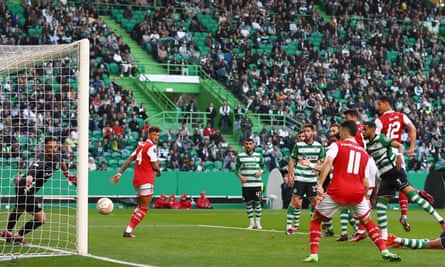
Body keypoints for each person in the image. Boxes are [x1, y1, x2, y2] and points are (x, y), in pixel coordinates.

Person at [302, 120, 401, 263]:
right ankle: (384, 251)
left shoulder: (337, 146)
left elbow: (328, 164)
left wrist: (320, 184)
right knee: (367, 221)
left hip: (338, 190)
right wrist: (366, 197)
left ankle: (314, 254)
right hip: (357, 192)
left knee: (316, 219)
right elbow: (365, 180)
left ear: (344, 130)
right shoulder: (364, 153)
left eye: (340, 130)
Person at [362, 121, 445, 241]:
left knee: (415, 199)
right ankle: (384, 238)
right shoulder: (368, 146)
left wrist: (400, 156)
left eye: (365, 129)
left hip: (394, 171)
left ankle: (441, 221)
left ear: (372, 129)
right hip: (385, 177)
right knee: (380, 206)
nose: (363, 132)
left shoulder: (382, 138)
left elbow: (400, 146)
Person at [1, 137, 77, 245]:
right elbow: (33, 170)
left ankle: (8, 233)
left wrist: (68, 175)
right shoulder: (40, 160)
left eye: (55, 147)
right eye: (50, 147)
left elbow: (62, 163)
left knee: (19, 209)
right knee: (41, 219)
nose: (53, 149)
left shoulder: (58, 156)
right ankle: (18, 236)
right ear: (45, 148)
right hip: (26, 188)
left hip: (23, 187)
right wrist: (29, 178)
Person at [110, 126, 162, 238]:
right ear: (149, 135)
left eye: (158, 135)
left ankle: (129, 230)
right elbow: (154, 164)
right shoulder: (151, 147)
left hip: (137, 181)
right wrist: (158, 171)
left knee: (140, 206)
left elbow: (129, 159)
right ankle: (128, 231)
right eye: (154, 134)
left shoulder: (140, 146)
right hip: (146, 180)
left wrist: (119, 173)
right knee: (144, 207)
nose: (156, 137)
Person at [375, 95, 417, 232]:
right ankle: (404, 214)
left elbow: (375, 139)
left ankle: (369, 221)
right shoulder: (401, 116)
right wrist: (412, 147)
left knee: (378, 184)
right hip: (398, 152)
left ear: (386, 104)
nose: (377, 107)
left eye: (379, 104)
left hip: (384, 153)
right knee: (402, 183)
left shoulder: (380, 121)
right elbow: (413, 128)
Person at [286, 124, 325, 235]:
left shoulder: (318, 146)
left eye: (308, 131)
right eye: (304, 131)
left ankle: (314, 226)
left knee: (314, 202)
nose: (306, 133)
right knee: (295, 200)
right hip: (300, 177)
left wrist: (317, 167)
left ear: (312, 132)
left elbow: (321, 161)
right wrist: (290, 174)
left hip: (312, 179)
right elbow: (292, 161)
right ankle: (289, 226)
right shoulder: (298, 146)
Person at [235, 138, 265, 229]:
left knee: (257, 203)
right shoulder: (240, 156)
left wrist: (260, 172)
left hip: (256, 184)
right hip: (246, 185)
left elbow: (264, 167)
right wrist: (240, 176)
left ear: (254, 145)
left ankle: (258, 223)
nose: (248, 145)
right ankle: (251, 223)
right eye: (246, 143)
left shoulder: (258, 156)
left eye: (250, 144)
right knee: (248, 204)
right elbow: (236, 169)